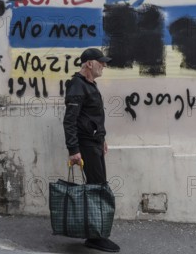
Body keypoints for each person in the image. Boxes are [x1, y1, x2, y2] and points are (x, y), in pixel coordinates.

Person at [63, 47, 120, 253]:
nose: (104, 65)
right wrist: (74, 149)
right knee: (97, 188)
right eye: (101, 62)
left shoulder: (89, 85)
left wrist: (102, 138)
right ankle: (96, 237)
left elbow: (93, 116)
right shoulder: (78, 86)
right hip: (86, 145)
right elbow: (70, 121)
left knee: (99, 186)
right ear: (89, 63)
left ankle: (95, 234)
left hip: (95, 143)